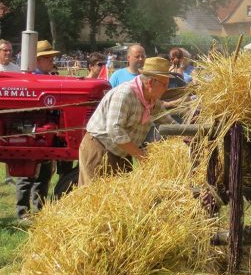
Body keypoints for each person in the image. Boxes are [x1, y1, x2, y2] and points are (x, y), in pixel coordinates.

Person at [78, 57, 176, 186]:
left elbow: (170, 123)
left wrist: (188, 135)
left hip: (122, 153)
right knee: (94, 198)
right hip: (100, 149)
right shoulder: (125, 94)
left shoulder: (152, 101)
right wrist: (140, 155)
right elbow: (115, 130)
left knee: (120, 200)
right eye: (164, 84)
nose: (166, 89)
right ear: (151, 82)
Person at [15, 40, 61, 220]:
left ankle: (40, 209)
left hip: (46, 131)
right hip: (30, 131)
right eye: (48, 58)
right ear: (37, 60)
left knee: (45, 173)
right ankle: (22, 212)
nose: (52, 61)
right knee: (27, 173)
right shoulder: (30, 80)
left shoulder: (51, 76)